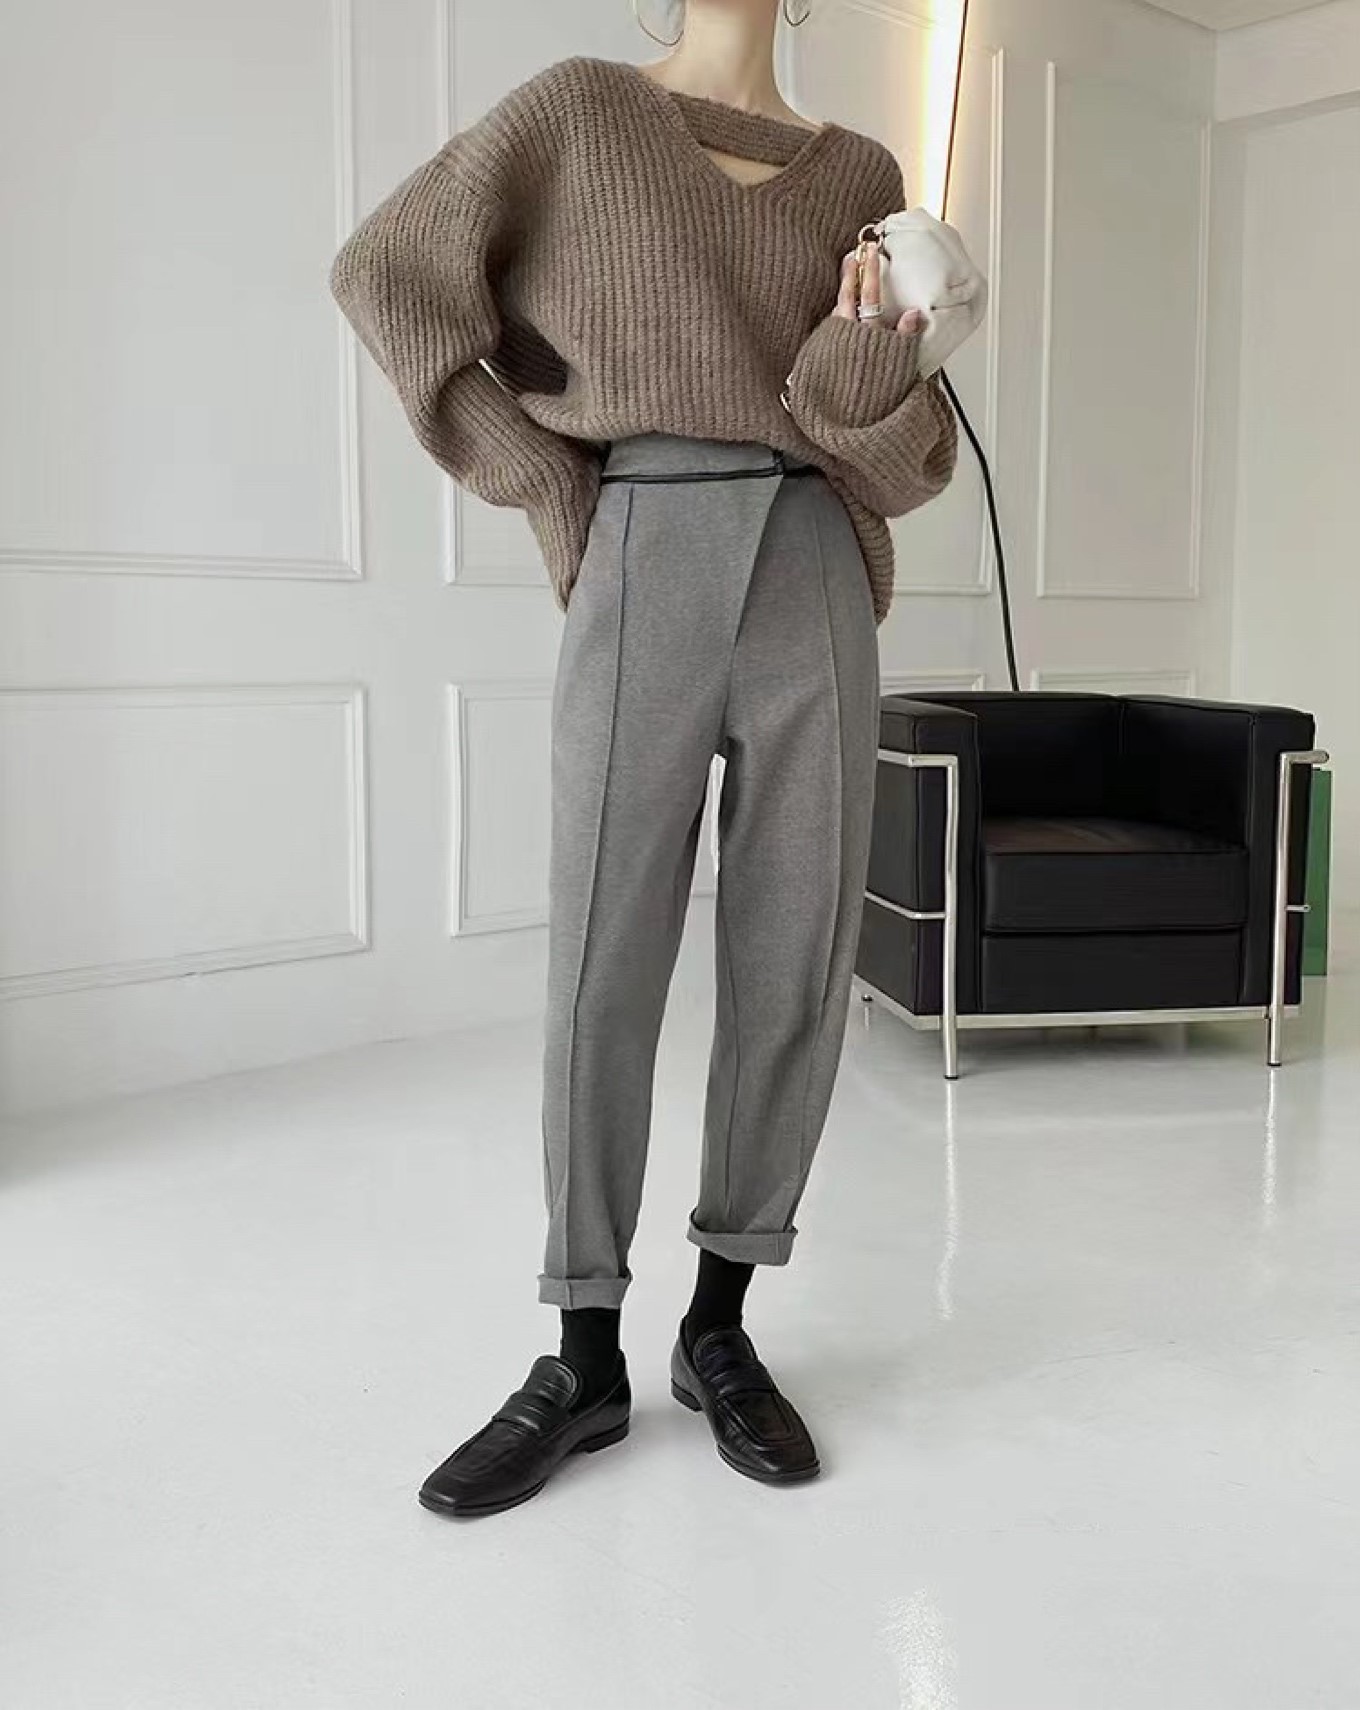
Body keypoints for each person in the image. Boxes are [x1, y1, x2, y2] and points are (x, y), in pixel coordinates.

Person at [328, 0, 959, 1519]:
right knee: (603, 957)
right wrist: (552, 483)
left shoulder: (863, 173)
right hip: (645, 532)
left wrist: (862, 365)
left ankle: (719, 1326)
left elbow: (911, 457)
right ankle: (582, 1353)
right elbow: (389, 273)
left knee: (796, 951)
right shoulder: (577, 113)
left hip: (814, 557)